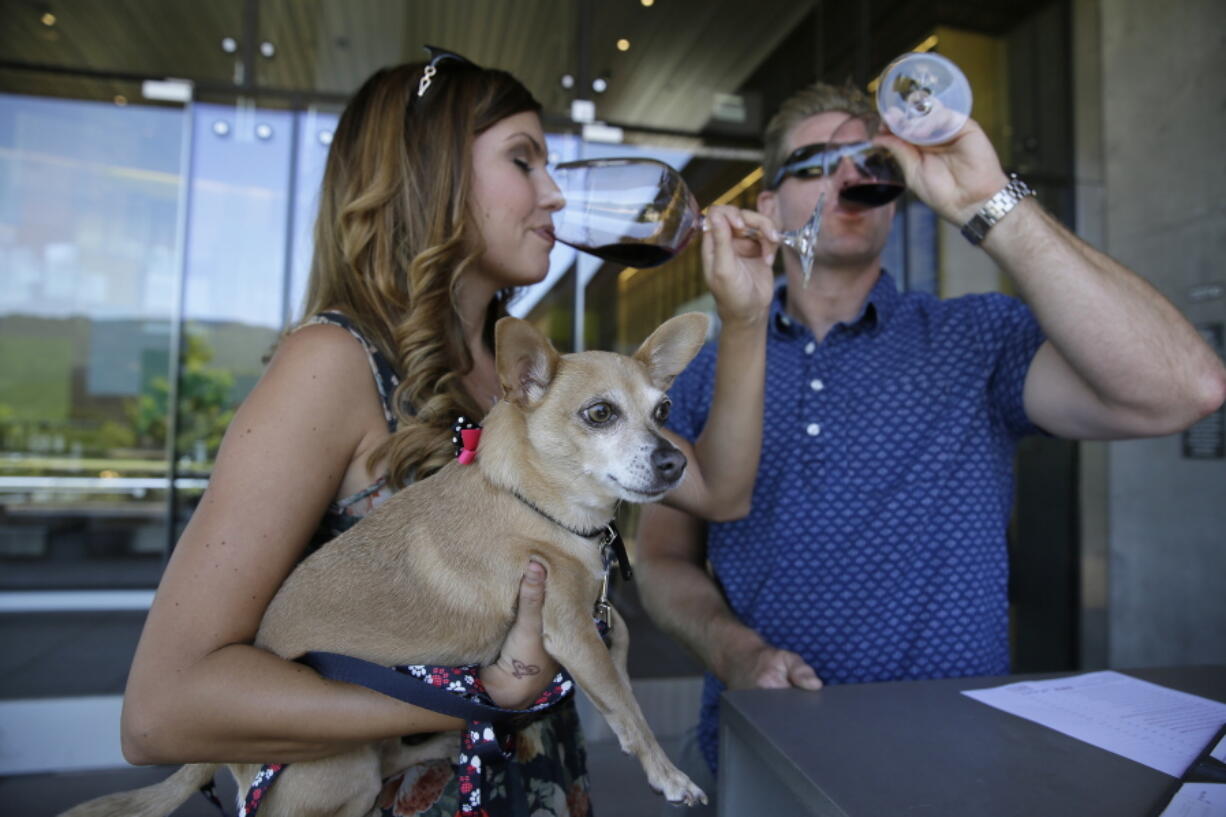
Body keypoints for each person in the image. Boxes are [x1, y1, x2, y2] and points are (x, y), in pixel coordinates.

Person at [118, 50, 779, 817]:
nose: (555, 193)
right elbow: (161, 710)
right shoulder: (332, 366)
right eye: (523, 161)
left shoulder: (533, 376)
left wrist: (747, 318)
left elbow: (723, 491)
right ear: (429, 177)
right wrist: (469, 701)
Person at [636, 79, 1226, 807]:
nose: (848, 178)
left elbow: (1184, 389)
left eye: (868, 161)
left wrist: (989, 204)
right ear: (767, 205)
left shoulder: (977, 336)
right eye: (819, 162)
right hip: (764, 760)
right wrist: (729, 646)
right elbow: (661, 554)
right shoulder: (702, 367)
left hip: (957, 769)